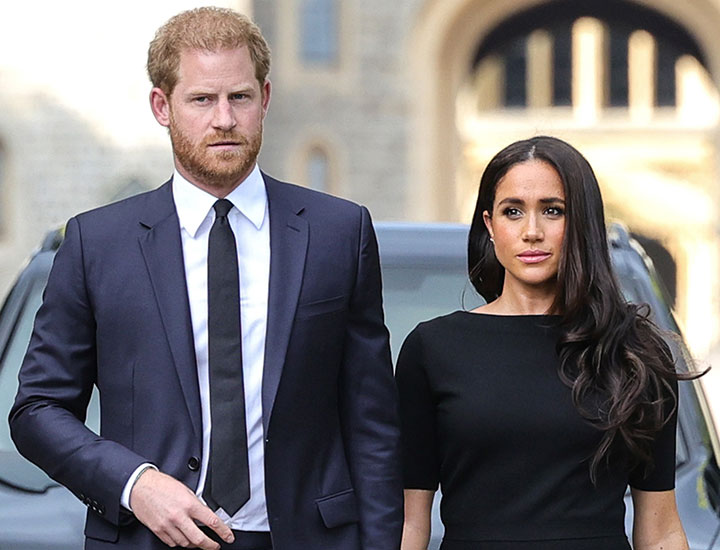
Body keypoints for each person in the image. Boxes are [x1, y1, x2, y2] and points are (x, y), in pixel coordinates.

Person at [9, 7, 402, 550]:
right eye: (201, 99)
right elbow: (38, 410)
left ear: (265, 99)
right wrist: (133, 484)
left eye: (239, 97)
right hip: (147, 537)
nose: (224, 119)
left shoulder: (339, 233)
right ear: (161, 106)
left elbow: (372, 423)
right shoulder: (96, 244)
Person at [396, 136, 693, 550]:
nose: (531, 232)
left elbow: (660, 531)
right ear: (489, 225)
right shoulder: (432, 350)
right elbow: (410, 524)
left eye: (553, 211)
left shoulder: (633, 352)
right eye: (512, 211)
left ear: (582, 223)